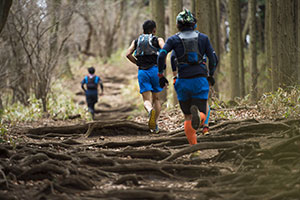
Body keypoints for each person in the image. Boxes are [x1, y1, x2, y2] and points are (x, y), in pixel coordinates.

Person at [158, 9, 218, 154]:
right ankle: (200, 116)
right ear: (194, 24)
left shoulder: (173, 39)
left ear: (178, 25)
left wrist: (161, 75)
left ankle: (194, 151)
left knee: (187, 117)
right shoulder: (203, 38)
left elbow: (162, 55)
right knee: (203, 111)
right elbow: (213, 58)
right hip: (200, 80)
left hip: (183, 81)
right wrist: (210, 74)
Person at [126, 20, 165, 133]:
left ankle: (149, 110)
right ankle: (155, 124)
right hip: (155, 71)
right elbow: (164, 50)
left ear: (143, 30)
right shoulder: (158, 39)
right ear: (154, 30)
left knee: (146, 100)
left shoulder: (137, 41)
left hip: (142, 72)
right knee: (156, 98)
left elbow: (128, 54)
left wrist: (137, 62)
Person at [170, 52, 213, 136]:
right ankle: (205, 127)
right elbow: (213, 57)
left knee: (187, 112)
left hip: (183, 77)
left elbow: (172, 58)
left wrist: (174, 75)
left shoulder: (179, 41)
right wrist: (211, 74)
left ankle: (192, 139)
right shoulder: (202, 40)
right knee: (205, 102)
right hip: (201, 75)